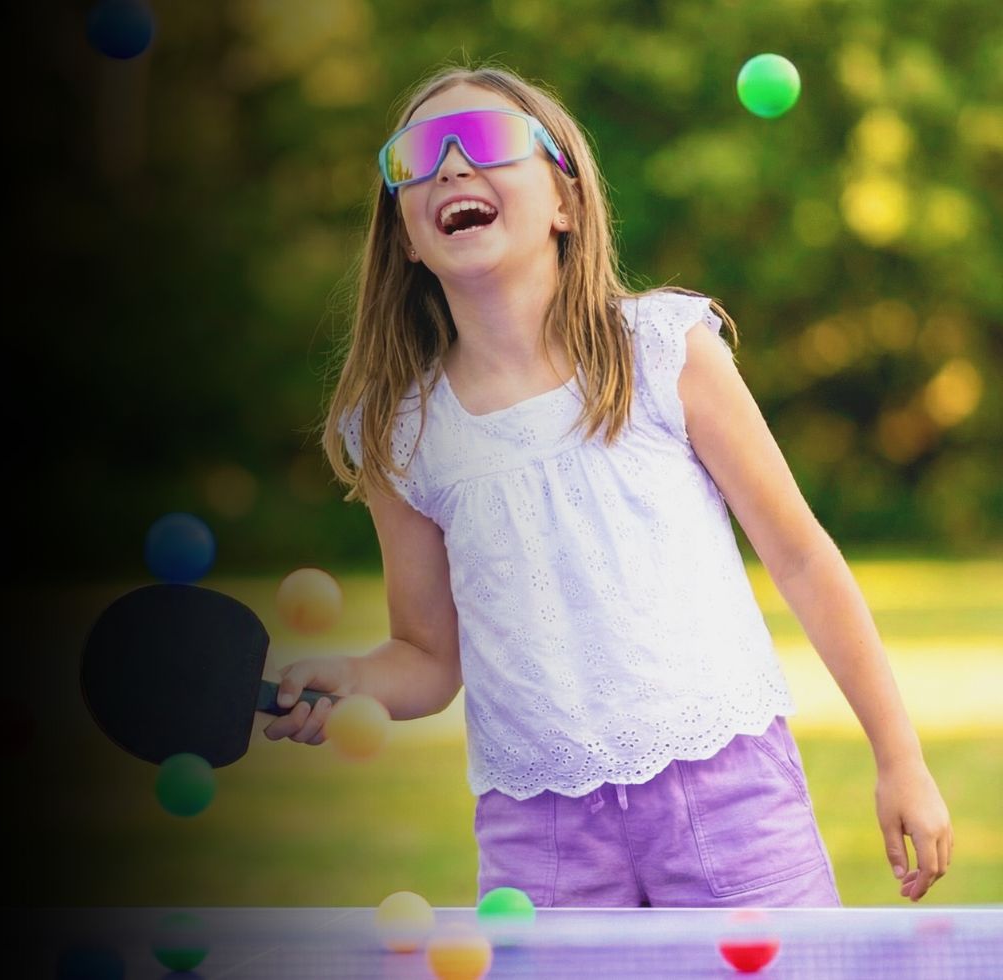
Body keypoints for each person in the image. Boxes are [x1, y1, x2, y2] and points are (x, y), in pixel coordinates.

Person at [262, 64, 953, 907]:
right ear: (406, 235)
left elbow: (803, 560)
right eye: (415, 157)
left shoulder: (664, 352)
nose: (449, 166)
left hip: (730, 798)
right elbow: (429, 659)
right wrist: (353, 679)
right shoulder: (400, 435)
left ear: (567, 202)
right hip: (539, 838)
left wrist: (899, 757)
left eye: (482, 142)